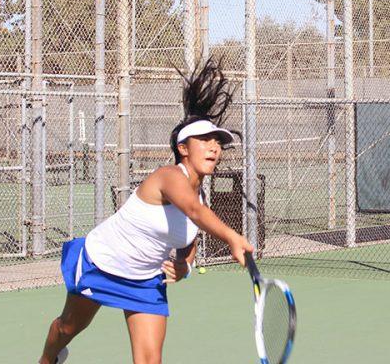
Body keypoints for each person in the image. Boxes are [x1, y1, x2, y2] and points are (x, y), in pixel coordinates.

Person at [39, 59, 253, 364]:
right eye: (204, 140)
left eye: (217, 142)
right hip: (102, 263)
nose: (214, 147)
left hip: (144, 281)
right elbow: (191, 212)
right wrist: (233, 237)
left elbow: (187, 240)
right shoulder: (168, 177)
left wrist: (186, 266)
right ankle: (47, 359)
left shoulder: (201, 197)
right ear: (183, 148)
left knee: (150, 361)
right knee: (68, 327)